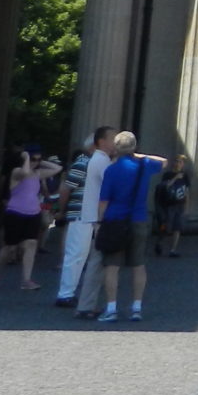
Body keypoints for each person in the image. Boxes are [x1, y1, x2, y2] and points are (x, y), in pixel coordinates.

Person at [95, 132, 163, 323]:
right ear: (134, 147)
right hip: (139, 219)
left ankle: (111, 308)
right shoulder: (145, 165)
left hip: (114, 220)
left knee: (112, 267)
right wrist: (139, 155)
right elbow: (164, 162)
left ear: (116, 148)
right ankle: (136, 307)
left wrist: (100, 223)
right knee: (138, 265)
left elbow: (103, 202)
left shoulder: (112, 170)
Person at [0, 146, 62, 291]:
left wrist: (41, 162)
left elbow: (58, 168)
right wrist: (26, 158)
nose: (36, 162)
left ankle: (26, 280)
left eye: (38, 159)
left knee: (31, 244)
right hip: (15, 212)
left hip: (33, 213)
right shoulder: (17, 172)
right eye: (34, 159)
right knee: (9, 248)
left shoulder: (38, 173)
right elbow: (25, 171)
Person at [60, 126, 115, 314]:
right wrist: (62, 210)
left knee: (80, 255)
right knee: (76, 254)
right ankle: (65, 293)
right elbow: (66, 188)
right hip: (81, 213)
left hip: (87, 214)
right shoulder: (84, 162)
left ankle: (69, 292)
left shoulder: (93, 162)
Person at [155, 154, 191, 257]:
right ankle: (159, 241)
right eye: (177, 161)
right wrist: (175, 178)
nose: (178, 164)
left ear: (183, 164)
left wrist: (186, 206)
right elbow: (165, 186)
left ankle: (173, 249)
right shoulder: (168, 175)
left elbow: (187, 192)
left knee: (177, 227)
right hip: (168, 204)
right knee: (166, 227)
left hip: (179, 204)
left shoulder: (185, 176)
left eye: (180, 162)